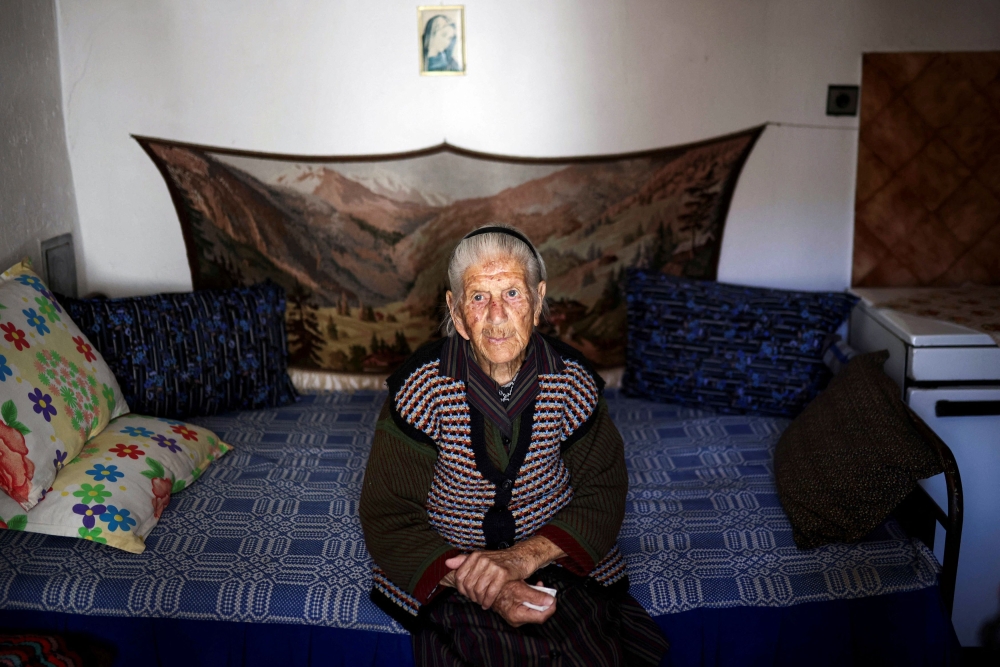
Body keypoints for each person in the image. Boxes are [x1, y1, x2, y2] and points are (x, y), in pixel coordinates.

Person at [360, 225, 669, 666]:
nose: (497, 315)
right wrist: (491, 581)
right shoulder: (419, 389)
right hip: (455, 569)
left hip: (555, 557)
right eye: (479, 297)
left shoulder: (572, 381)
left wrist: (521, 559)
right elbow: (388, 517)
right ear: (457, 311)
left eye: (512, 293)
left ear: (538, 301)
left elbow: (603, 493)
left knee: (598, 647)